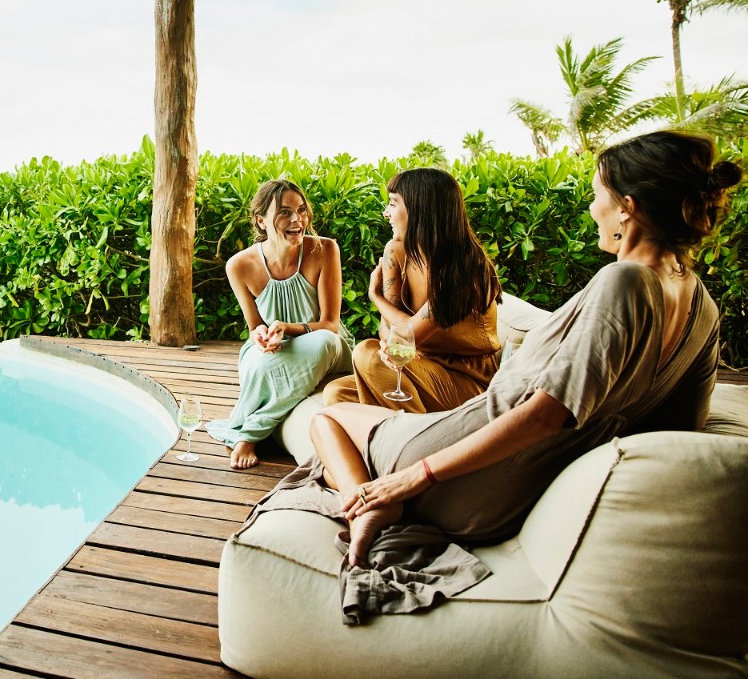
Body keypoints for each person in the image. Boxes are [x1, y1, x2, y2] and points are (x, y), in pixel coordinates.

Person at [310, 131, 740, 569]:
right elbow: (685, 423)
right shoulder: (700, 303)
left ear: (627, 208)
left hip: (470, 475)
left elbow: (543, 415)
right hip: (515, 482)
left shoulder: (624, 280)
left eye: (596, 196)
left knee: (327, 420)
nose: (592, 209)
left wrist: (413, 477)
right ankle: (370, 488)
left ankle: (366, 501)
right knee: (347, 398)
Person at [322, 167, 502, 412]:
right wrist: (395, 345)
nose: (386, 213)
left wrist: (375, 296)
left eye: (393, 204)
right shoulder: (397, 252)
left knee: (367, 353)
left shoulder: (464, 268)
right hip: (417, 366)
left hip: (467, 380)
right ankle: (392, 433)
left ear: (421, 210)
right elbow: (390, 333)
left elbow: (409, 334)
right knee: (337, 392)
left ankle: (411, 438)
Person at [211, 179, 353, 470]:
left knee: (323, 343)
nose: (297, 219)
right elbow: (254, 327)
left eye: (301, 210)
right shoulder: (239, 265)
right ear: (260, 220)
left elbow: (331, 324)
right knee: (255, 362)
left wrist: (288, 327)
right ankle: (260, 424)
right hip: (278, 348)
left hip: (326, 343)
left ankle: (247, 433)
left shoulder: (324, 250)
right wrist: (262, 335)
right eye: (285, 212)